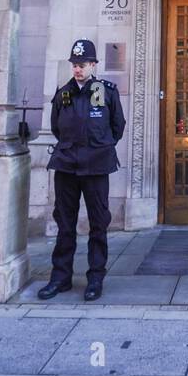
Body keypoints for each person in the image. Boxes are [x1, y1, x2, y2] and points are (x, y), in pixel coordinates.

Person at [36, 38, 125, 301]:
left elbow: (117, 127)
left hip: (97, 166)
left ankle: (95, 278)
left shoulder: (106, 91)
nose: (78, 69)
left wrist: (98, 146)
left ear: (94, 65)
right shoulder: (64, 93)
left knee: (98, 223)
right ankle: (60, 278)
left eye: (83, 64)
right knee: (65, 223)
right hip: (67, 166)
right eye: (75, 64)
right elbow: (55, 127)